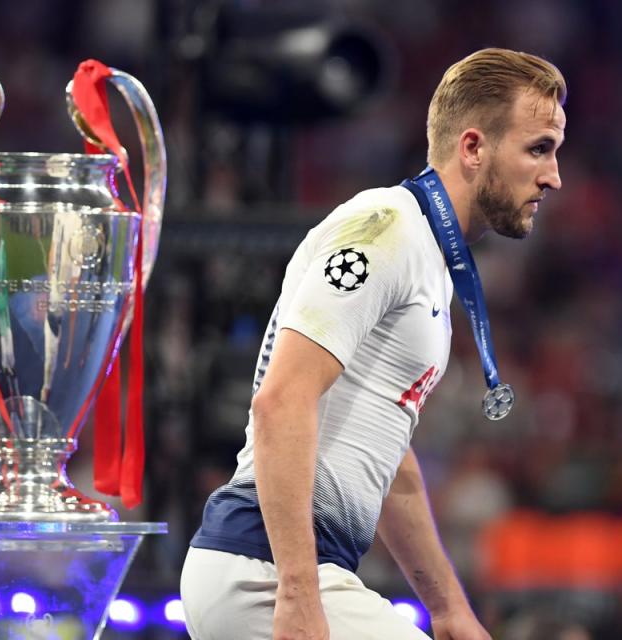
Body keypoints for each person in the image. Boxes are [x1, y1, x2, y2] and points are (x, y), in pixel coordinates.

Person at [180, 47, 567, 640]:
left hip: (284, 567)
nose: (553, 175)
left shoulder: (427, 256)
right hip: (259, 569)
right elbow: (280, 401)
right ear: (472, 148)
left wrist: (448, 608)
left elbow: (390, 463)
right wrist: (297, 595)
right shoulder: (385, 227)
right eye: (538, 148)